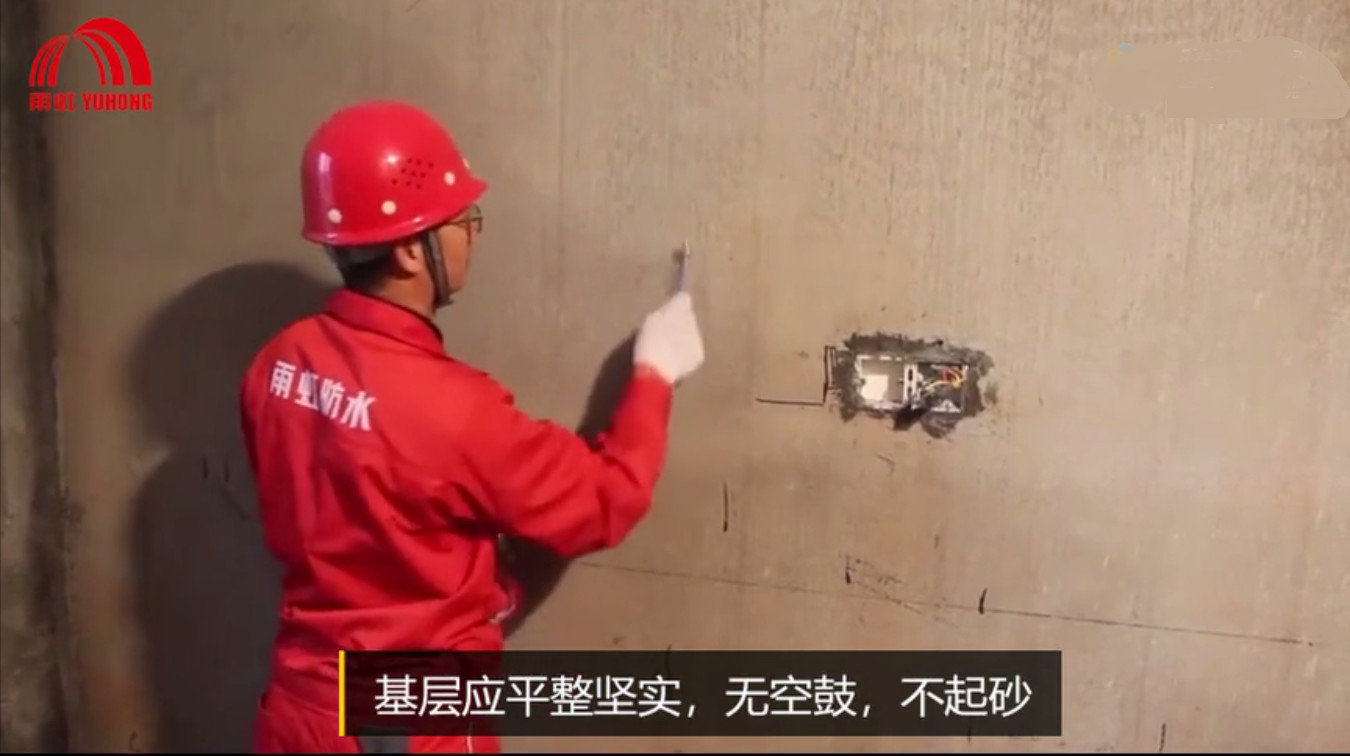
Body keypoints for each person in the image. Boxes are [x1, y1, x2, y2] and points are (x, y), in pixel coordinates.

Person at [241, 100, 705, 754]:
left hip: (302, 711)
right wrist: (654, 375)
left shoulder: (278, 362)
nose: (474, 237)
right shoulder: (451, 409)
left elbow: (351, 512)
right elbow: (604, 500)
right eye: (463, 220)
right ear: (411, 251)